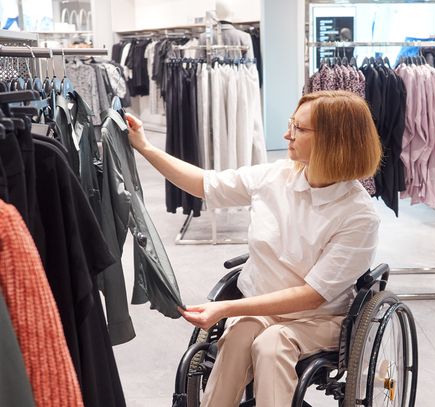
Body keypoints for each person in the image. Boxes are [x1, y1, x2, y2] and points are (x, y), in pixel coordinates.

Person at [126, 90, 382, 407]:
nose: (287, 134)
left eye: (300, 129)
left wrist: (226, 308)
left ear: (333, 140)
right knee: (236, 340)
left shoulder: (358, 215)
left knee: (272, 345)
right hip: (260, 309)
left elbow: (314, 294)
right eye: (292, 124)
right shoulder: (276, 176)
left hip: (319, 318)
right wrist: (145, 147)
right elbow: (204, 184)